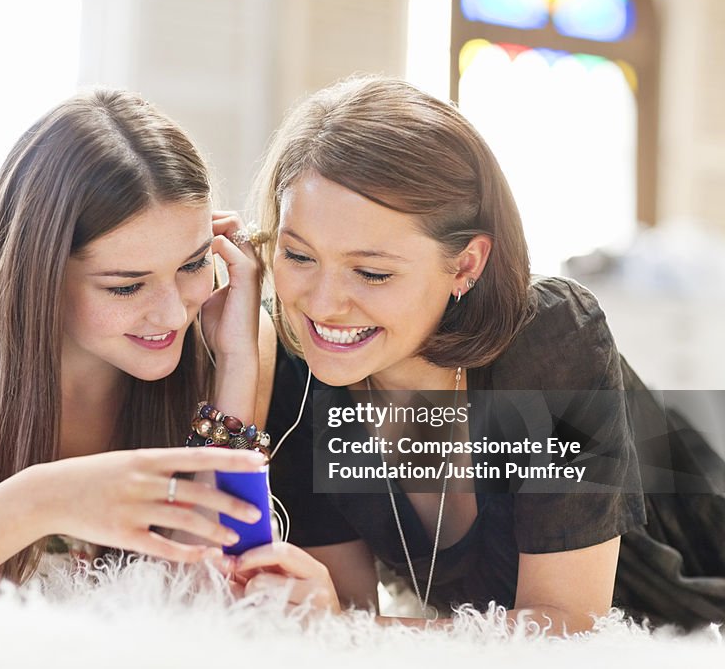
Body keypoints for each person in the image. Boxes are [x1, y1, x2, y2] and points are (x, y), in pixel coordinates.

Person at [234, 75, 725, 633]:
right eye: (298, 256)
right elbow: (340, 611)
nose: (322, 305)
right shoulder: (299, 367)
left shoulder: (548, 336)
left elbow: (568, 626)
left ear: (466, 265)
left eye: (372, 272)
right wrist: (237, 351)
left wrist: (348, 629)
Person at [0, 88, 276, 590]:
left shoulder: (232, 339)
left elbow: (203, 595)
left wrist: (236, 364)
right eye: (126, 285)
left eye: (194, 264)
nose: (174, 313)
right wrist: (41, 499)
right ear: (39, 273)